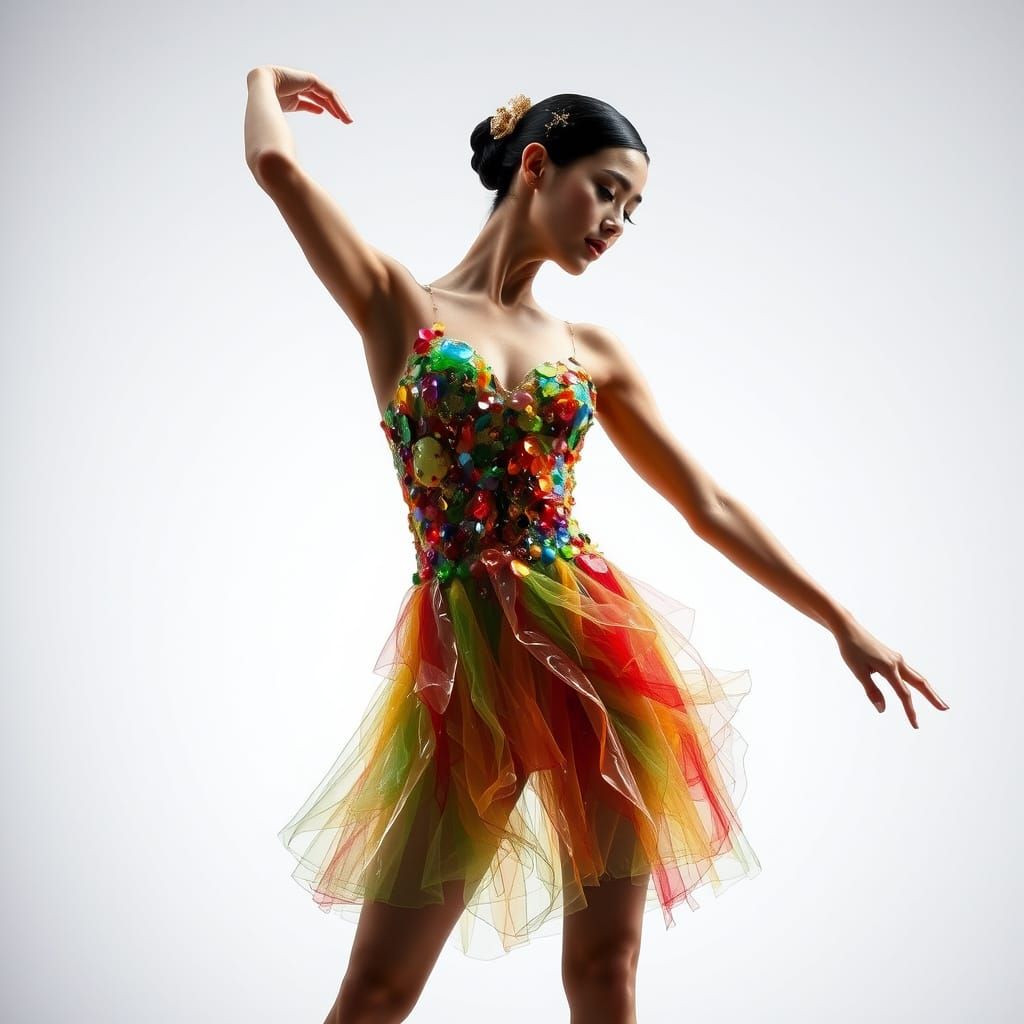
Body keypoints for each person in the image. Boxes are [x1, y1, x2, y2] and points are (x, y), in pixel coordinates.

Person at [244, 65, 950, 1024]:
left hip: (600, 662)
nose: (617, 221)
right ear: (536, 165)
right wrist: (261, 79)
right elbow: (278, 170)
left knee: (605, 969)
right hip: (466, 677)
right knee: (376, 989)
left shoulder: (594, 352)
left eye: (633, 209)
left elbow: (708, 502)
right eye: (607, 190)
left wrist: (843, 623)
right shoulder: (398, 304)